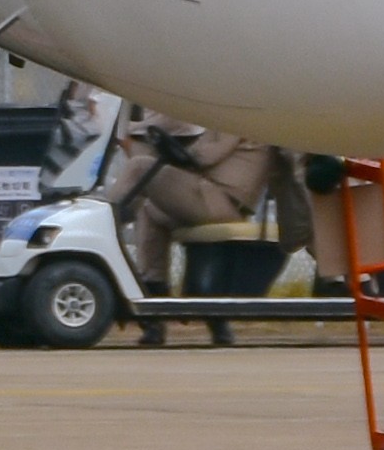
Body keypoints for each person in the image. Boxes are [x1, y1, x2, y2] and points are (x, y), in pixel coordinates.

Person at [96, 111, 280, 347]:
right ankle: (155, 304)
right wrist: (172, 148)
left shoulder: (240, 116)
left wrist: (172, 150)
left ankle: (101, 222)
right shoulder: (233, 116)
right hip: (213, 197)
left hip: (219, 201)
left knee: (139, 166)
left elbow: (206, 156)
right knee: (150, 212)